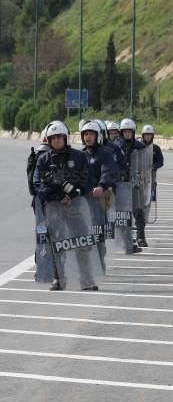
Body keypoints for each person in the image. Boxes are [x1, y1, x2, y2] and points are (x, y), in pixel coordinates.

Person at [33, 121, 95, 290]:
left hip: (75, 205)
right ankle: (58, 278)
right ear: (49, 140)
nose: (57, 140)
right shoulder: (43, 159)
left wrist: (73, 193)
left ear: (65, 138)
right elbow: (37, 184)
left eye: (60, 137)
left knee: (82, 240)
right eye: (53, 138)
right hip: (53, 207)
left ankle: (87, 279)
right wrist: (57, 195)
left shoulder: (78, 156)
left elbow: (87, 180)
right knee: (56, 242)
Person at [81, 121, 116, 274]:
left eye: (91, 134)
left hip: (101, 197)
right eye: (85, 134)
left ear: (98, 136)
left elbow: (108, 171)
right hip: (83, 199)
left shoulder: (105, 153)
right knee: (83, 233)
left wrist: (101, 186)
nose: (88, 137)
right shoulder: (79, 155)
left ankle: (100, 262)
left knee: (98, 233)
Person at [119, 118, 145, 253]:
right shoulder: (117, 146)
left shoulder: (140, 146)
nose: (127, 133)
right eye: (125, 131)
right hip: (121, 184)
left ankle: (140, 235)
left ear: (133, 132)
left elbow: (145, 164)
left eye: (130, 131)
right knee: (124, 214)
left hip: (136, 184)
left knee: (137, 210)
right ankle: (127, 242)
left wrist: (141, 175)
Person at [137, 125, 164, 247]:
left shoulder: (156, 148)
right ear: (142, 135)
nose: (147, 137)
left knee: (146, 207)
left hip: (150, 181)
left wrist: (153, 167)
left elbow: (160, 162)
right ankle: (139, 232)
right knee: (137, 208)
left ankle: (141, 230)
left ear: (152, 136)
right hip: (137, 181)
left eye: (149, 135)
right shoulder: (137, 147)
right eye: (145, 135)